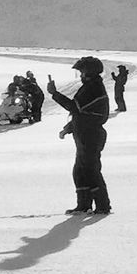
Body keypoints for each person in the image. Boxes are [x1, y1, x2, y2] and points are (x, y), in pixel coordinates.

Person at [48, 56, 111, 214]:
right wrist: (69, 128)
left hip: (91, 135)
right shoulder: (90, 86)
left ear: (89, 72)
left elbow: (74, 107)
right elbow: (83, 114)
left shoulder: (93, 87)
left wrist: (55, 94)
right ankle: (84, 205)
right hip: (84, 134)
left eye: (82, 71)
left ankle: (102, 206)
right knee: (80, 171)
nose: (81, 75)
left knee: (90, 170)